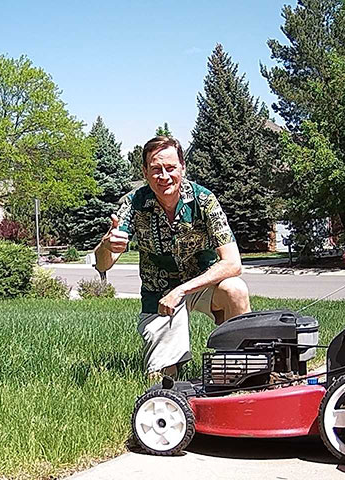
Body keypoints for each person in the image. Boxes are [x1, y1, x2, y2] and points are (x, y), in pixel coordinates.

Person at [93, 136, 251, 379]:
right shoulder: (133, 204)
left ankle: (236, 368)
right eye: (155, 169)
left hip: (202, 284)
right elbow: (104, 265)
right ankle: (171, 364)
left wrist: (181, 291)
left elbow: (232, 263)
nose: (164, 176)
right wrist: (106, 245)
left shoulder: (204, 200)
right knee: (162, 379)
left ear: (182, 167)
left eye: (170, 168)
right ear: (145, 172)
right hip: (158, 294)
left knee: (235, 289)